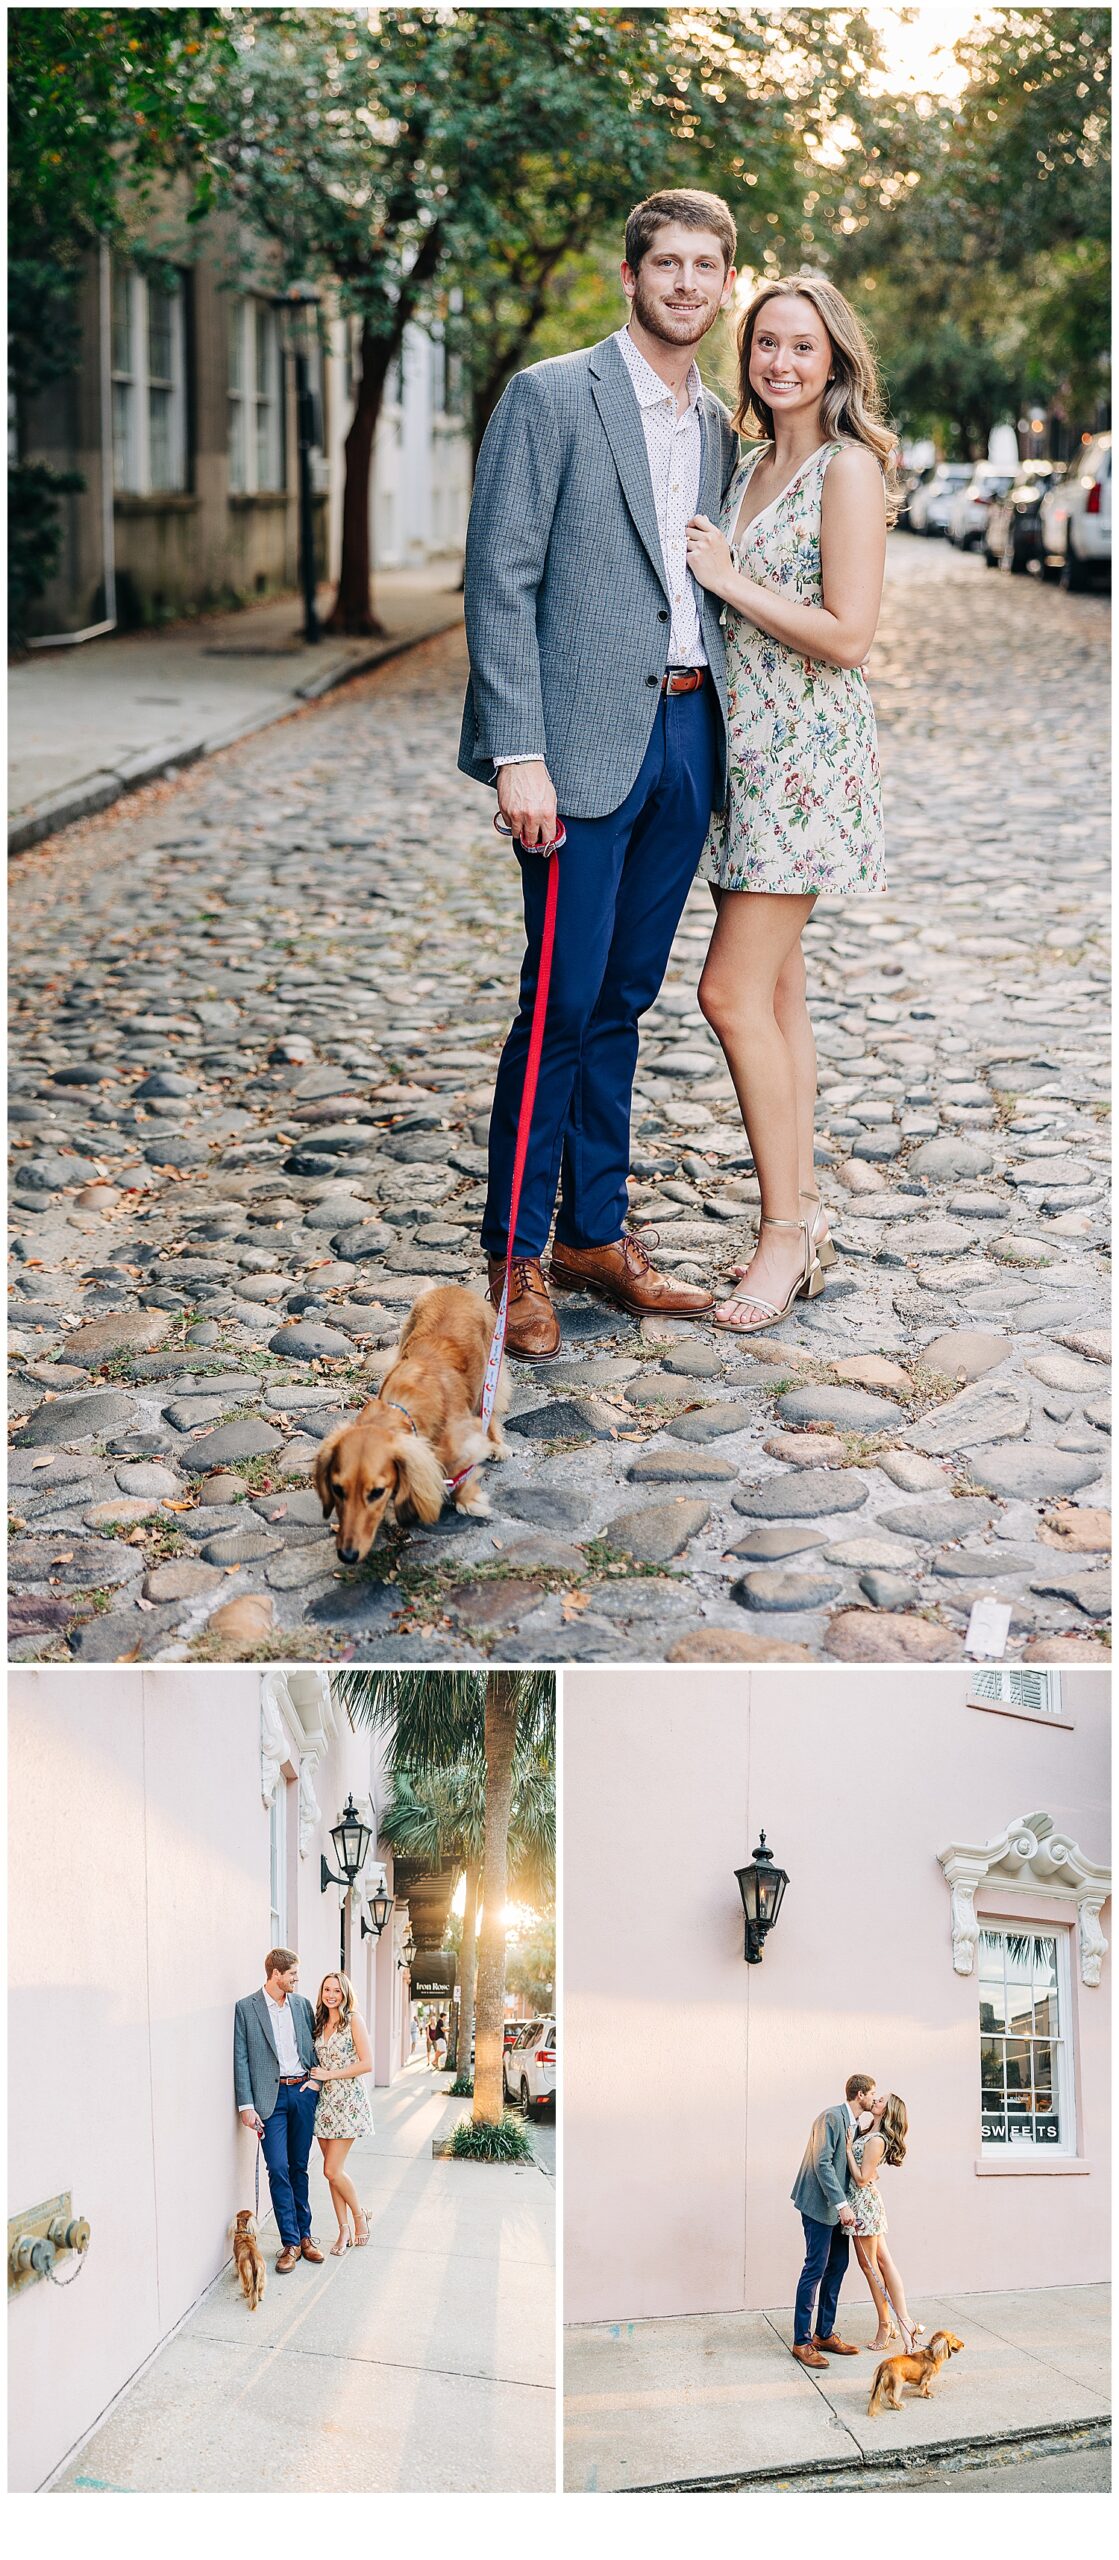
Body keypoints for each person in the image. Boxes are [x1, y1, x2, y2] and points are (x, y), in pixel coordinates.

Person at [459, 189, 742, 1357]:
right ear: (630, 277)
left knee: (625, 1000)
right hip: (572, 755)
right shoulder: (551, 396)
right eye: (666, 263)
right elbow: (500, 578)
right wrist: (517, 752)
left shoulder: (720, 422)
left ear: (727, 283)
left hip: (685, 736)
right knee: (561, 1003)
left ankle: (597, 1231)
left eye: (706, 266)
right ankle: (515, 1252)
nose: (685, 283)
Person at [685, 274, 894, 1332]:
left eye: (801, 347)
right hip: (745, 756)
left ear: (834, 360)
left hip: (805, 761)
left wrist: (729, 581)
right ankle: (800, 1218)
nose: (780, 362)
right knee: (777, 1002)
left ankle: (783, 1235)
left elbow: (850, 635)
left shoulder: (845, 470)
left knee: (728, 994)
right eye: (765, 343)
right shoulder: (751, 462)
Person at [233, 1948, 323, 2273]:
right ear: (275, 1975)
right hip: (269, 2100)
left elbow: (313, 2047)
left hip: (301, 2092)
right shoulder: (246, 2008)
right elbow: (240, 2057)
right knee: (279, 2167)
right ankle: (290, 2243)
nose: (297, 1980)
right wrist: (246, 2105)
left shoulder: (302, 2005)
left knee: (300, 2165)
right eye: (293, 1975)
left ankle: (306, 2237)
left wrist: (315, 2083)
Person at [789, 2073, 878, 2367]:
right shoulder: (830, 2117)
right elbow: (821, 2162)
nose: (874, 2099)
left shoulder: (853, 2124)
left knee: (838, 2264)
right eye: (872, 2093)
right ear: (860, 2093)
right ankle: (802, 2342)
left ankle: (824, 2334)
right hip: (819, 2206)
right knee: (815, 2267)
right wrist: (842, 2205)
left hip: (840, 2210)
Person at [304, 1971, 374, 2257]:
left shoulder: (353, 2020)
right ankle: (343, 2229)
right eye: (327, 1990)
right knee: (334, 2174)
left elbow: (367, 2063)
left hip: (348, 2102)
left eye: (337, 1991)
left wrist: (330, 2074)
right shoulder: (319, 2023)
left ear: (345, 1994)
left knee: (331, 2169)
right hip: (324, 2104)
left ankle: (360, 2217)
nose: (331, 1995)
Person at [845, 2094, 921, 2351]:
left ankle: (886, 2325)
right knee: (883, 2262)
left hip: (863, 2206)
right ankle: (905, 2322)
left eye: (881, 2100)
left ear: (888, 2111)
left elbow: (862, 2179)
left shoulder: (877, 2139)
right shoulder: (869, 2132)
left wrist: (847, 2151)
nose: (875, 2100)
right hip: (865, 2204)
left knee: (870, 2267)